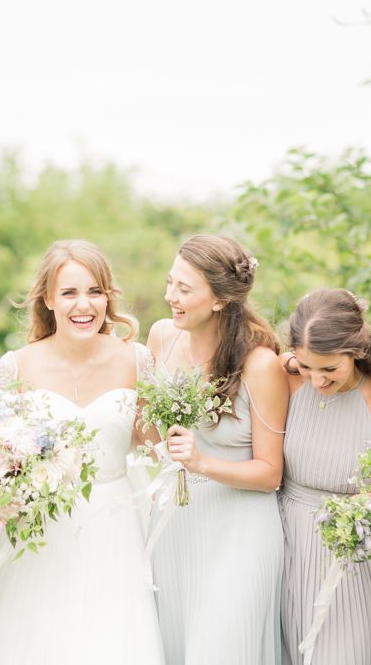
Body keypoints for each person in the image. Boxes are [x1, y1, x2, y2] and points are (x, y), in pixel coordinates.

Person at [0, 239, 164, 664]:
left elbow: (156, 446)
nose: (84, 305)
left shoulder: (137, 361)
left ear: (108, 297)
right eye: (69, 292)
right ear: (47, 299)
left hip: (116, 525)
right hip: (42, 532)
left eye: (95, 291)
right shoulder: (16, 366)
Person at [147, 234, 287, 665]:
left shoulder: (259, 364)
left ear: (221, 299)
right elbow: (150, 430)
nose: (171, 296)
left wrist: (202, 461)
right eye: (171, 283)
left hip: (239, 532)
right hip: (175, 524)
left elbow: (269, 474)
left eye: (185, 289)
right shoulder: (162, 338)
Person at [278, 288, 371, 665]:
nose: (316, 380)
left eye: (329, 369)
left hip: (346, 556)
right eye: (306, 366)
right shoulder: (287, 378)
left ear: (358, 350)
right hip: (284, 544)